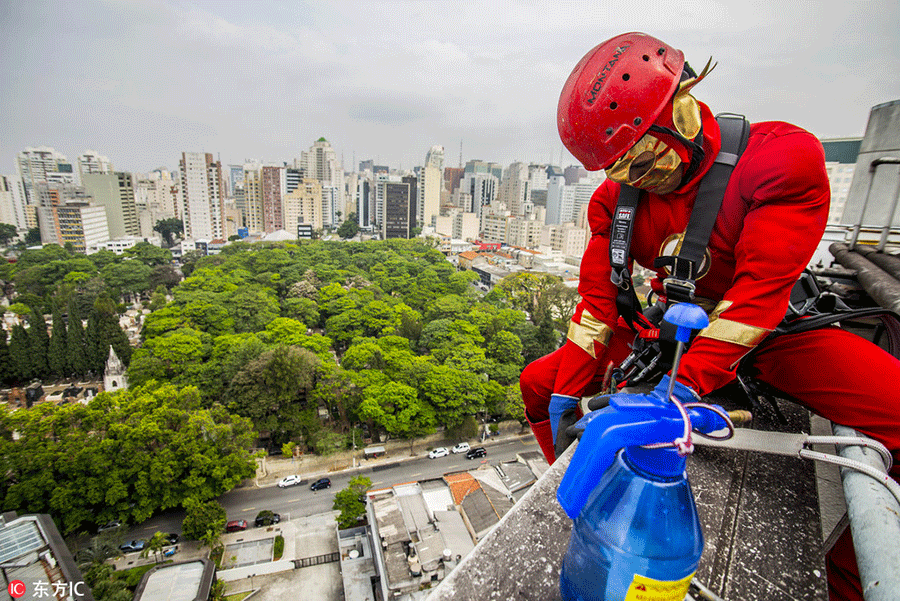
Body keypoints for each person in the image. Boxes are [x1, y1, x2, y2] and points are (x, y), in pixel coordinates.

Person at [519, 32, 900, 601]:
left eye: (644, 160)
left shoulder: (779, 159)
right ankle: (586, 507)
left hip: (769, 334)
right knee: (539, 381)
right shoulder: (616, 201)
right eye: (621, 171)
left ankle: (850, 583)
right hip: (667, 332)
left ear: (681, 111)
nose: (637, 182)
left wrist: (680, 392)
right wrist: (564, 399)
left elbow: (759, 296)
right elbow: (598, 308)